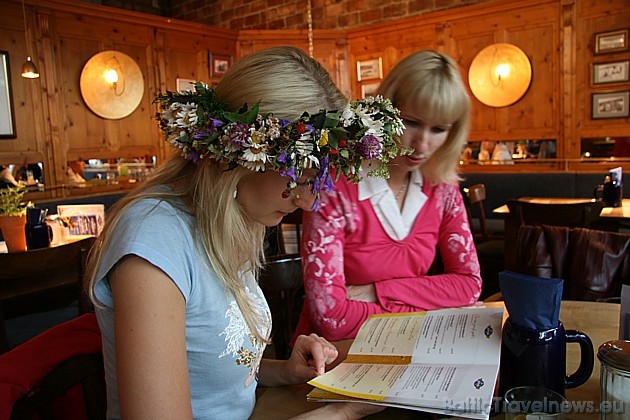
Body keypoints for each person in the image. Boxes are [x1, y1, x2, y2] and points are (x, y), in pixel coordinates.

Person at [86, 46, 406, 419]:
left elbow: (205, 371)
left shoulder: (233, 218)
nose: (307, 201)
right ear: (242, 156)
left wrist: (282, 370)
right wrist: (341, 413)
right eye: (298, 178)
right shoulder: (153, 240)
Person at [294, 50, 482, 342]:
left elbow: (469, 286)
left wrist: (375, 292)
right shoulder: (334, 187)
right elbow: (332, 319)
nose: (422, 143)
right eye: (412, 122)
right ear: (385, 111)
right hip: (331, 356)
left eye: (439, 129)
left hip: (413, 349)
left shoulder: (443, 189)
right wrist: (434, 307)